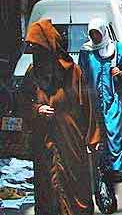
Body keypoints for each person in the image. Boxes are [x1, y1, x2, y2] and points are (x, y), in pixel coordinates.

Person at [23, 19, 100, 215]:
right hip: (44, 142)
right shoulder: (32, 73)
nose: (34, 52)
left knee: (76, 185)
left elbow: (88, 106)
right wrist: (37, 109)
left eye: (37, 47)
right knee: (47, 187)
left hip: (70, 138)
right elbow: (22, 104)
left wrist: (93, 139)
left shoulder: (72, 72)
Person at [80, 18, 122, 179]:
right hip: (92, 99)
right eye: (92, 33)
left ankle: (115, 168)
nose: (95, 36)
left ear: (103, 31)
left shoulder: (117, 48)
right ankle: (100, 166)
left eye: (97, 33)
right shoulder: (86, 51)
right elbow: (80, 75)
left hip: (113, 97)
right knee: (95, 133)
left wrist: (120, 72)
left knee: (113, 132)